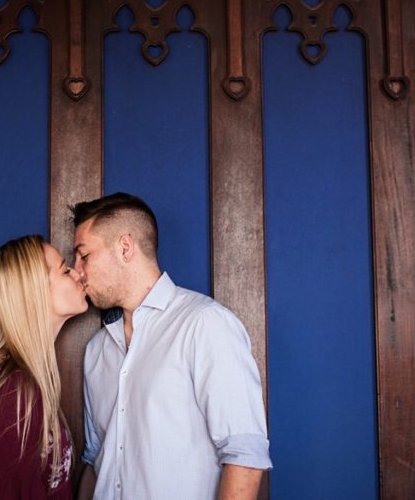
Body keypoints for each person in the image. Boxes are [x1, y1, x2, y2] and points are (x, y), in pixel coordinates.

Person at [73, 193, 271, 500]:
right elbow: (95, 458)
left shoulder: (205, 325)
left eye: (84, 256)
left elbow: (245, 456)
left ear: (125, 247)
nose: (77, 271)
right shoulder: (97, 350)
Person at [0, 234, 89, 499]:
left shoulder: (13, 383)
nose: (77, 274)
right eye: (64, 270)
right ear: (34, 292)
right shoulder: (12, 397)